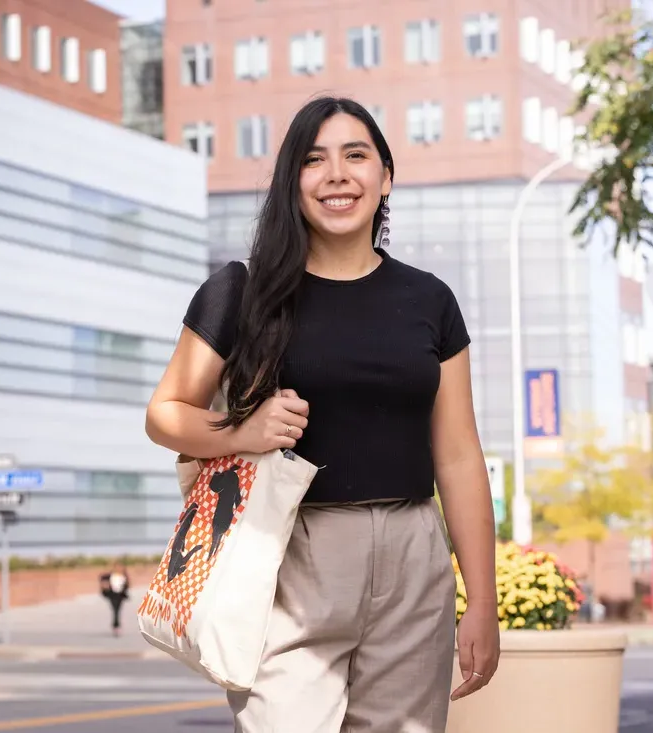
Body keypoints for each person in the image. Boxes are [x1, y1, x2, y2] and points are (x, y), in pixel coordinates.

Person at [145, 96, 500, 733]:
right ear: (293, 182)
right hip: (288, 557)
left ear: (385, 177)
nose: (336, 174)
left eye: (355, 155)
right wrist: (242, 430)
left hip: (412, 554)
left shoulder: (431, 301)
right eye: (314, 160)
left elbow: (458, 455)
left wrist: (483, 600)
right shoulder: (241, 291)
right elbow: (164, 414)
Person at [100, 563, 130, 636]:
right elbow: (102, 579)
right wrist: (104, 588)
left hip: (120, 595)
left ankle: (116, 625)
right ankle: (116, 625)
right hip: (112, 594)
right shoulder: (110, 576)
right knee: (115, 610)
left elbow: (126, 585)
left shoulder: (123, 576)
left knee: (117, 610)